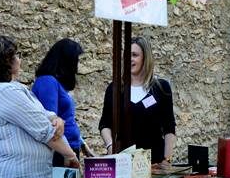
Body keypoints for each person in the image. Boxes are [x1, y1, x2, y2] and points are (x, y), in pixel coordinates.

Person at [0, 35, 78, 178]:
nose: (19, 59)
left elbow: (42, 113)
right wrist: (70, 155)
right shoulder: (6, 92)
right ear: (6, 61)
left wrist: (56, 119)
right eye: (17, 55)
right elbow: (45, 130)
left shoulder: (5, 89)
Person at [99, 36, 176, 164]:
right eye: (127, 55)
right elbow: (105, 124)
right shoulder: (115, 89)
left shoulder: (161, 88)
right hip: (123, 161)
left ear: (145, 58)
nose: (130, 59)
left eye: (134, 55)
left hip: (154, 162)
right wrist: (110, 146)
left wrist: (167, 160)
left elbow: (169, 128)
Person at [32, 38, 95, 161]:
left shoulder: (56, 83)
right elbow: (52, 124)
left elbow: (66, 117)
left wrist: (82, 143)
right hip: (60, 152)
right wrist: (68, 153)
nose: (77, 66)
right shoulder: (47, 82)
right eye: (75, 61)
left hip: (70, 147)